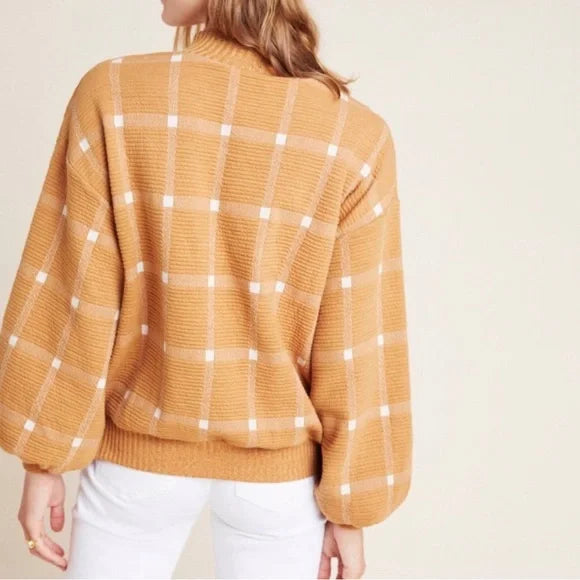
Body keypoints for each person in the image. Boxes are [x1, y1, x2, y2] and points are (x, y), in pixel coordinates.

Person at [0, 0, 413, 578]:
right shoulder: (356, 136)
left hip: (137, 467)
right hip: (278, 486)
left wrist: (43, 458)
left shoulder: (113, 94)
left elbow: (71, 293)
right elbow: (358, 341)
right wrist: (352, 507)